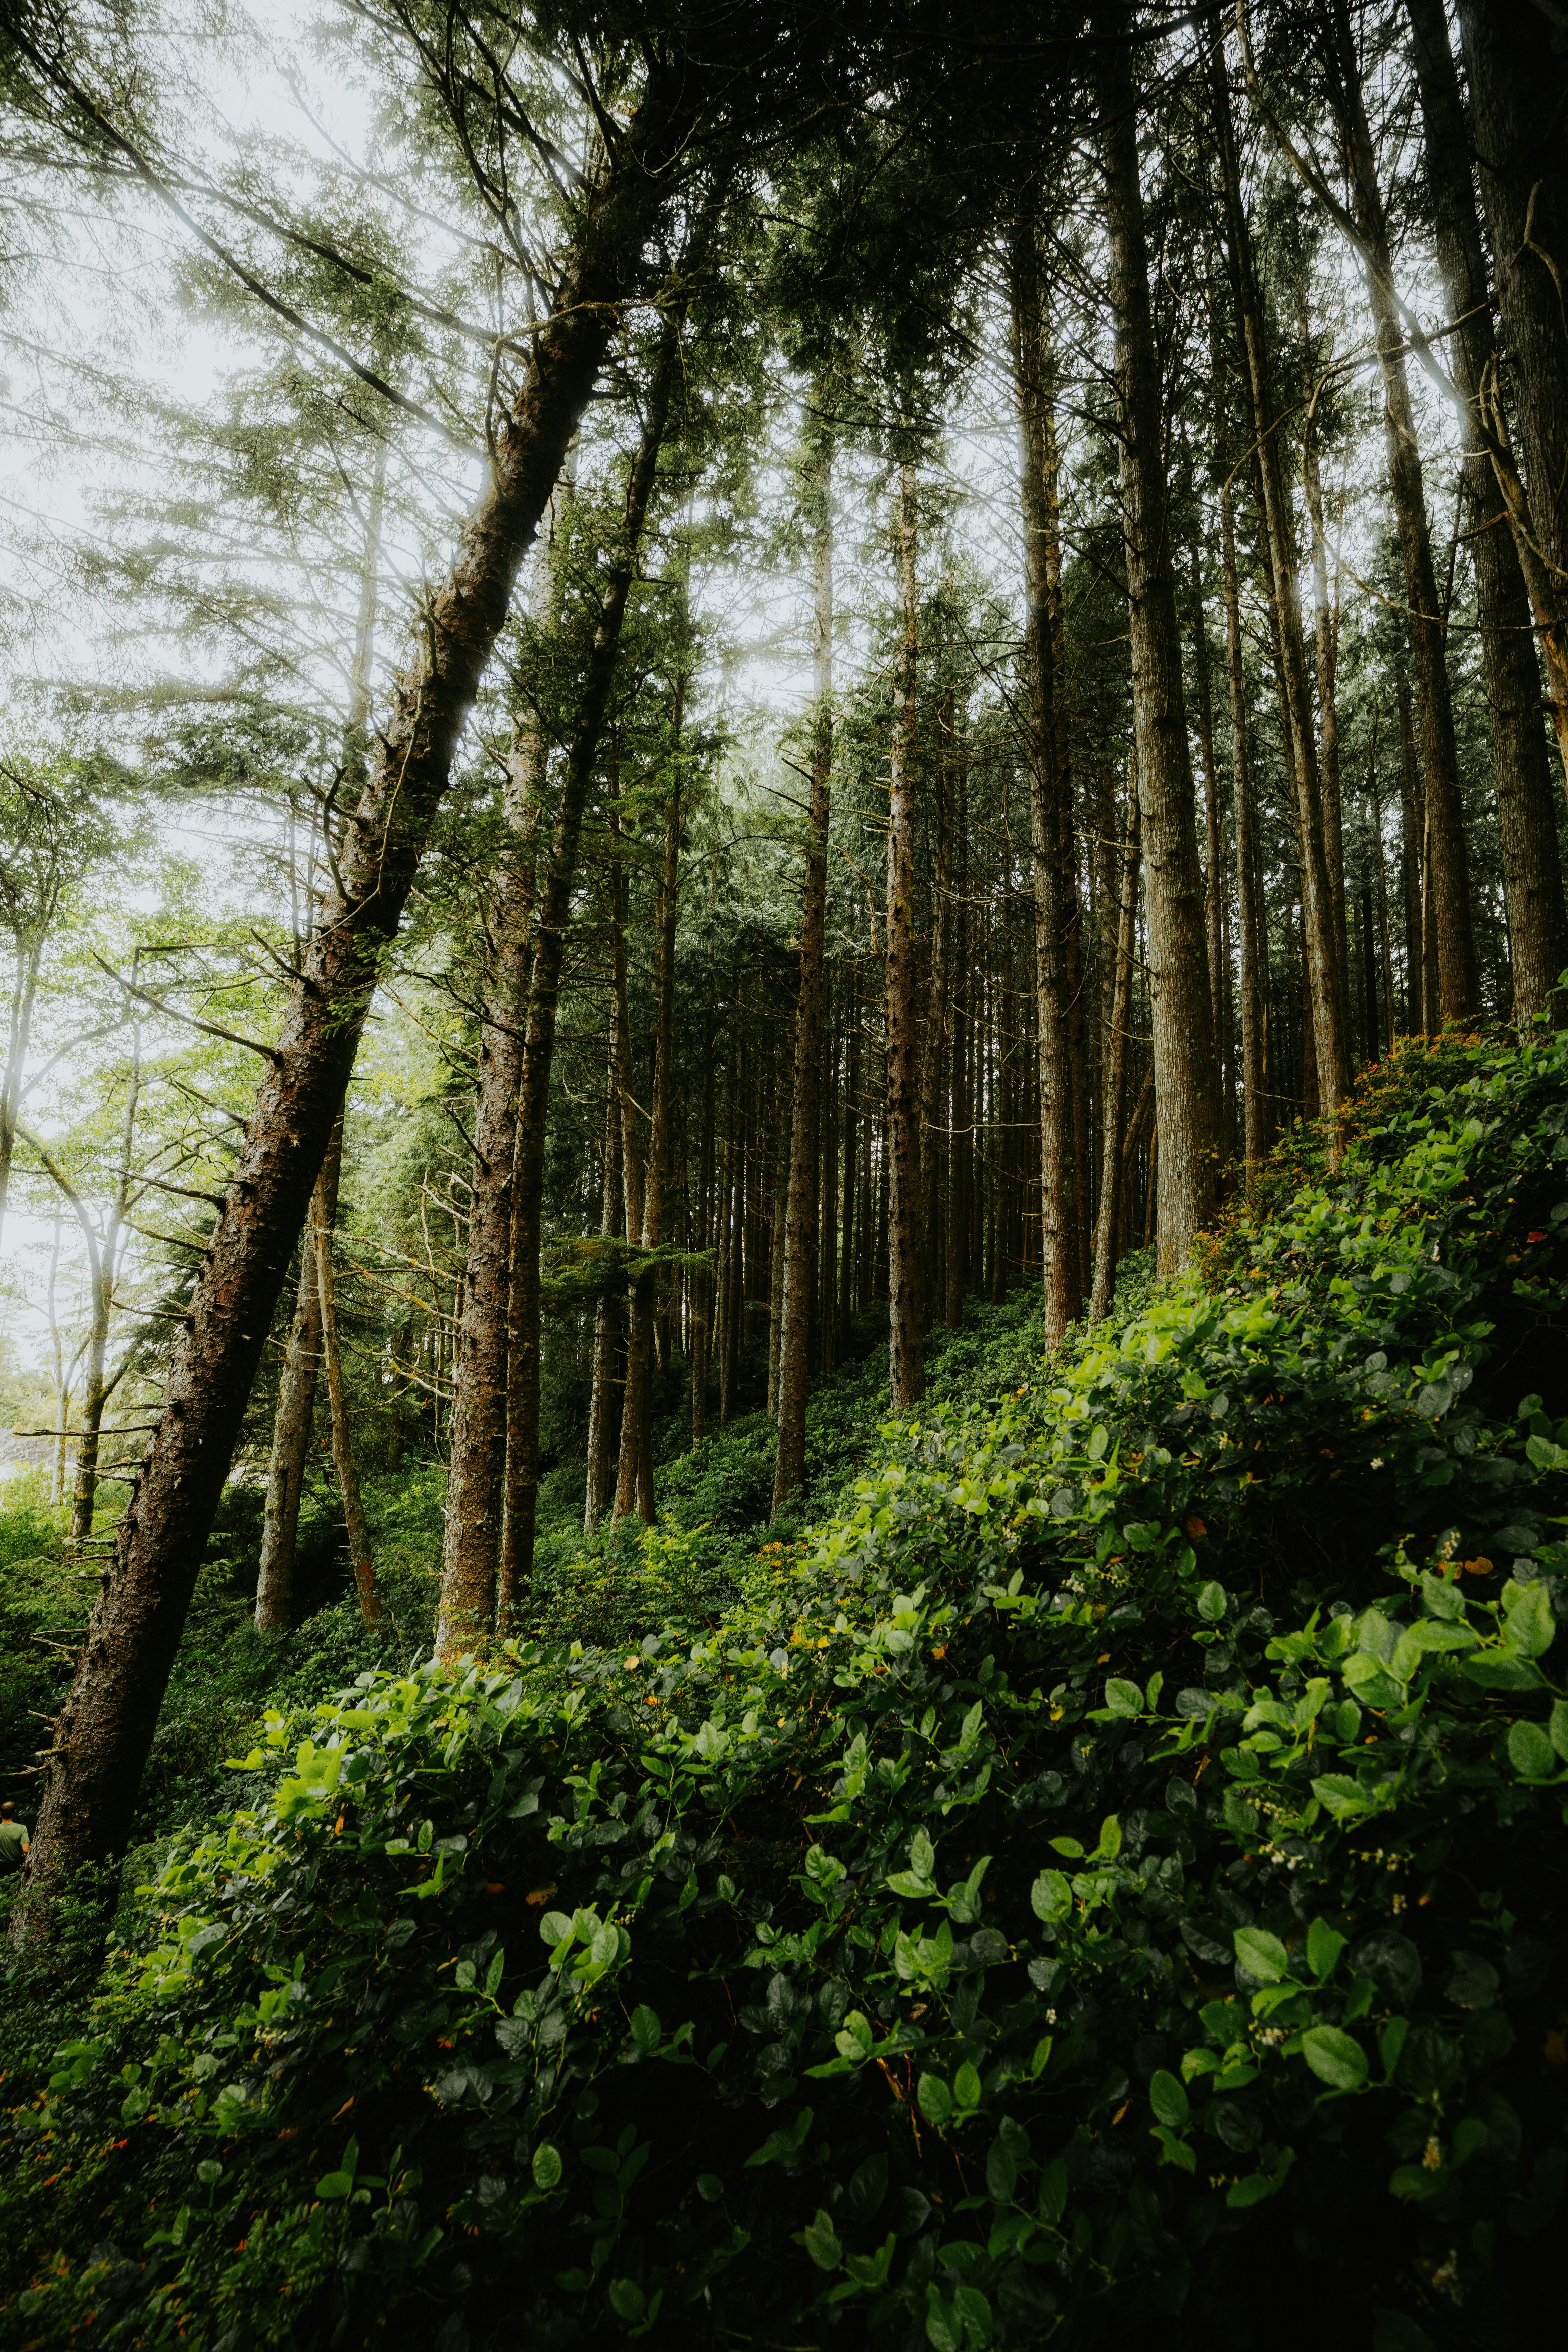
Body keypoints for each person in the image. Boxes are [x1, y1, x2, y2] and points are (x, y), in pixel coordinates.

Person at [0, 1801, 29, 1875]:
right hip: (16, 1867)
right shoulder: (22, 1828)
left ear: (0, 1814)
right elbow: (26, 1850)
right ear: (14, 1813)